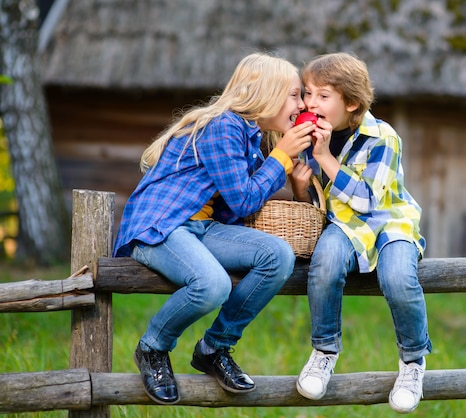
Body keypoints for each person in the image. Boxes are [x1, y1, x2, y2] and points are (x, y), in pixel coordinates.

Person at [113, 53, 317, 405]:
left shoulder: (253, 140)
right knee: (212, 285)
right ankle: (153, 348)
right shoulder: (224, 125)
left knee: (277, 255)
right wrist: (281, 158)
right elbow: (243, 200)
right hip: (161, 227)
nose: (302, 105)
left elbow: (244, 202)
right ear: (266, 93)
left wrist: (290, 172)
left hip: (203, 228)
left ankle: (214, 347)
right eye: (295, 94)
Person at [291, 52, 432, 414]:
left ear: (351, 102)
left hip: (390, 221)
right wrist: (300, 188)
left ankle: (413, 362)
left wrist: (324, 158)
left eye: (323, 96)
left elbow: (369, 200)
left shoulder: (383, 136)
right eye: (308, 93)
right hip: (344, 224)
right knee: (325, 263)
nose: (310, 103)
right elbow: (320, 205)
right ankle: (324, 351)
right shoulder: (311, 137)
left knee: (398, 277)